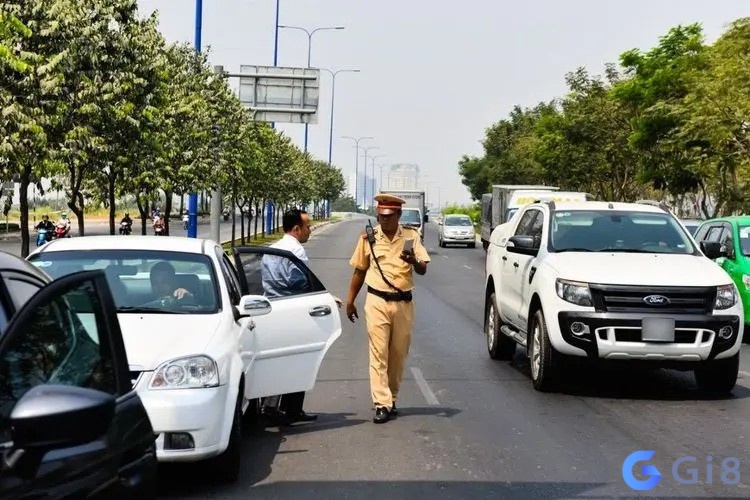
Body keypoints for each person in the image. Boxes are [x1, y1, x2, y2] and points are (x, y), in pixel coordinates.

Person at [345, 193, 431, 424]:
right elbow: (359, 271)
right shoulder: (368, 239)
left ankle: (391, 398)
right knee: (378, 353)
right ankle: (381, 403)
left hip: (403, 302)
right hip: (377, 302)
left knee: (397, 354)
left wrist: (413, 260)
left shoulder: (412, 237)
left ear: (399, 215)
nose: (385, 220)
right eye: (381, 216)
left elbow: (423, 269)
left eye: (390, 216)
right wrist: (350, 300)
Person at [259, 208, 318, 424]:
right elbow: (298, 282)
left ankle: (270, 406)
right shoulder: (296, 251)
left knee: (275, 360)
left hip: (270, 310)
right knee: (298, 360)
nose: (309, 230)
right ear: (296, 229)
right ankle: (291, 409)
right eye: (307, 226)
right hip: (293, 310)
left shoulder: (271, 249)